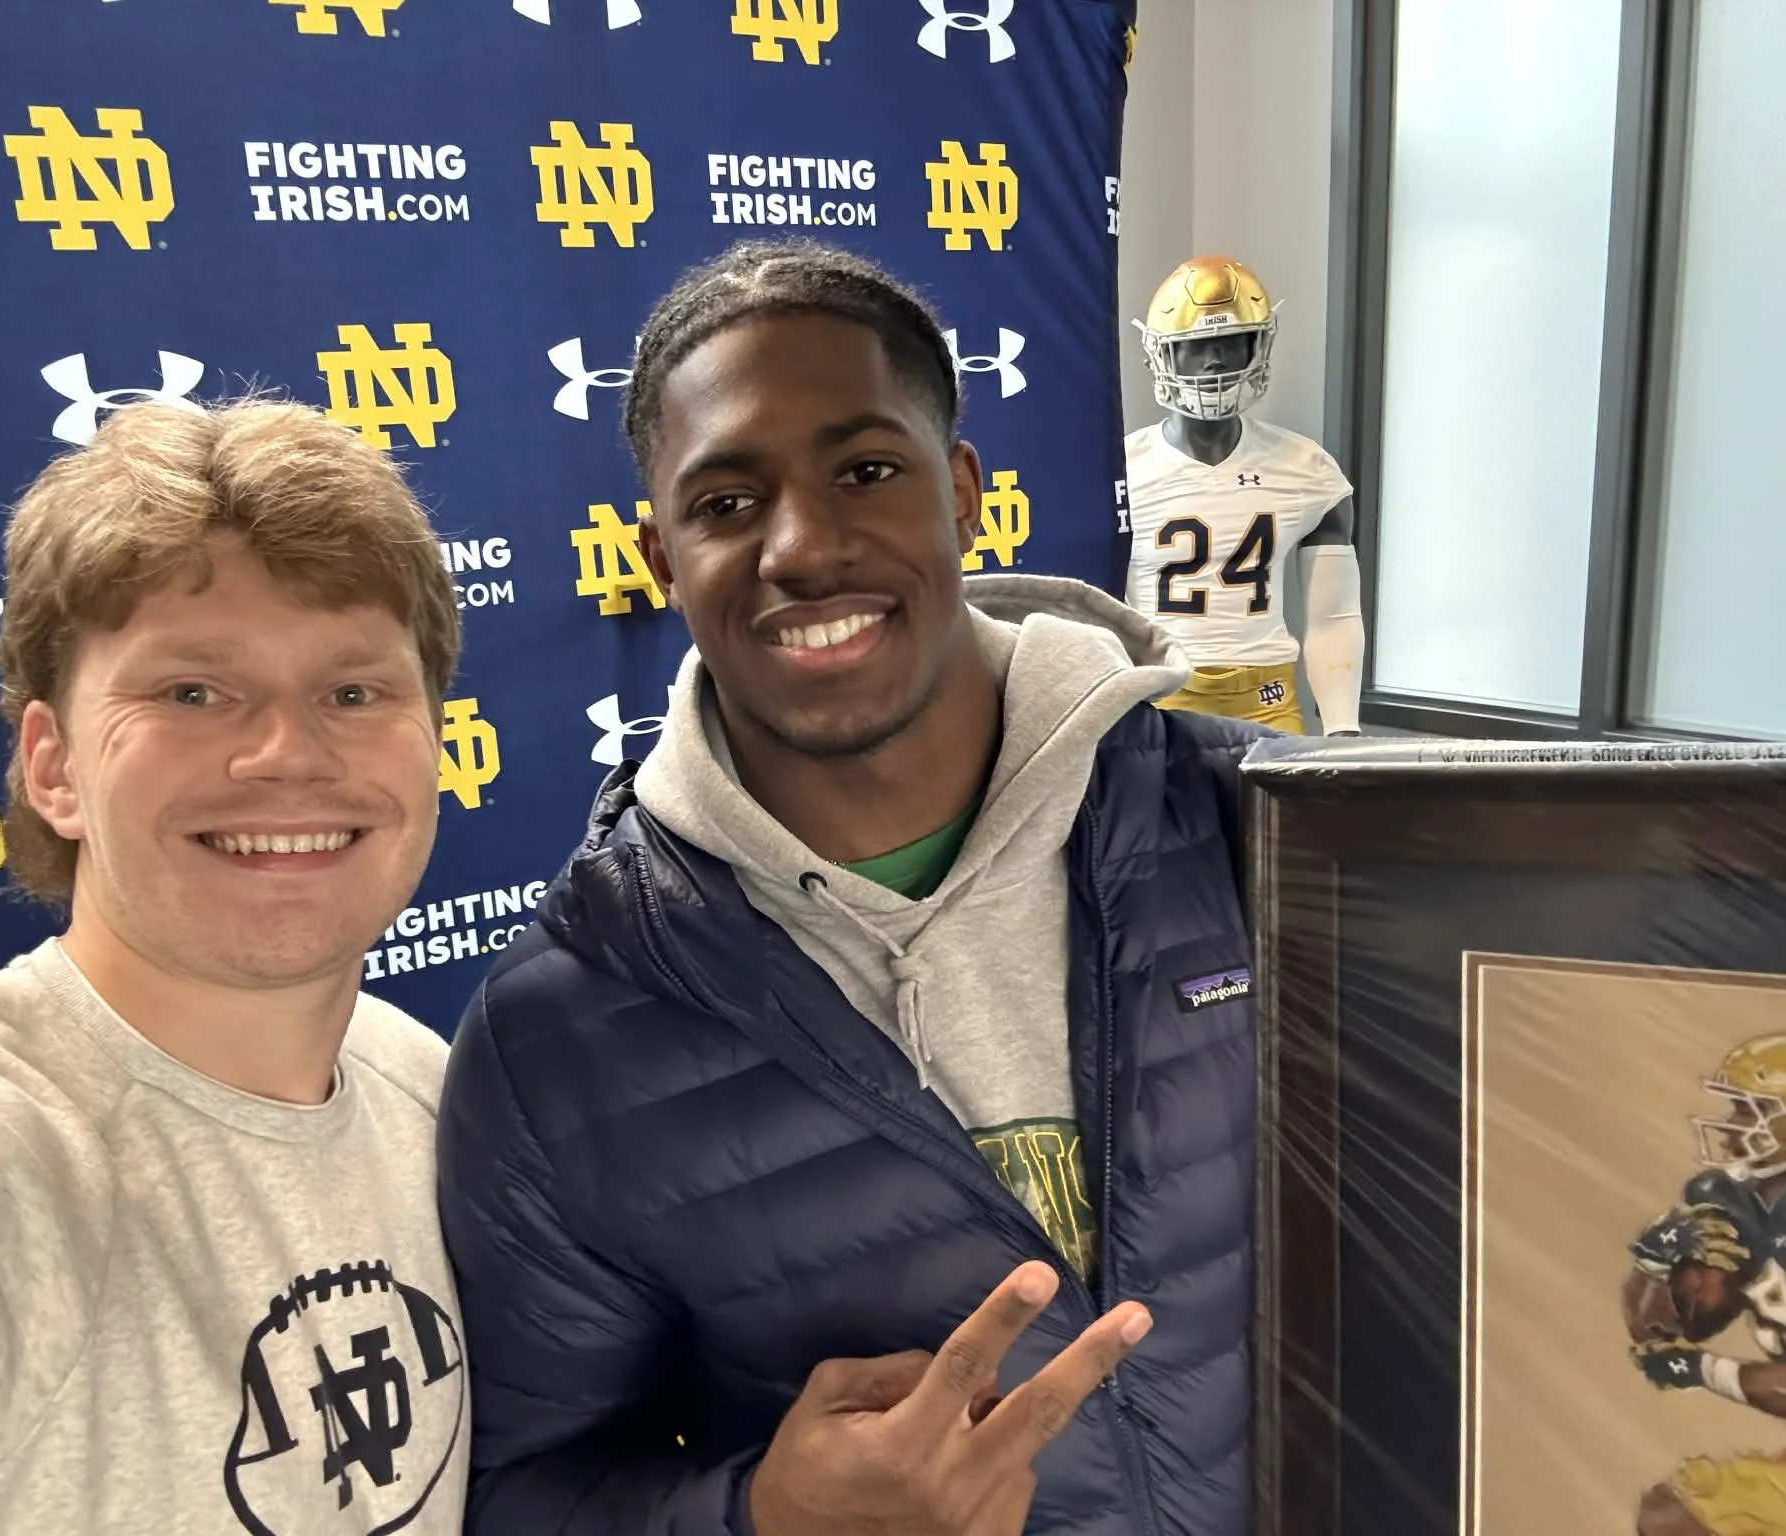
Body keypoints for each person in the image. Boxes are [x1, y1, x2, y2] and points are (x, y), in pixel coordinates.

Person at [439, 239, 1263, 1535]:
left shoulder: (1257, 827)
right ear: (660, 558)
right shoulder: (557, 1038)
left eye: (866, 472)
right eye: (726, 504)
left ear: (963, 492)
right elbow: (523, 1494)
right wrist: (764, 1515)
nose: (803, 547)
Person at [0, 399, 473, 1533]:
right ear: (53, 768)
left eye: (353, 693)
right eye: (191, 693)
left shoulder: (424, 1084)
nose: (286, 753)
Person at [1124, 254, 1365, 736]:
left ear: (1258, 345)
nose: (1215, 359)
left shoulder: (1307, 469)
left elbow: (1334, 618)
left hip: (1266, 699)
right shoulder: (1121, 469)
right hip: (1158, 698)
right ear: (1162, 354)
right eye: (1197, 345)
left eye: (1233, 342)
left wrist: (1343, 729)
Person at [1625, 1035, 1786, 1535]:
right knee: (1676, 1512)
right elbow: (1663, 1335)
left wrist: (1708, 1371)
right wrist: (1656, 1259)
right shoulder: (1752, 1202)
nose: (1730, 1125)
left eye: (1749, 1110)